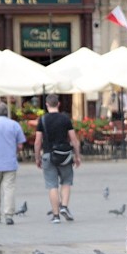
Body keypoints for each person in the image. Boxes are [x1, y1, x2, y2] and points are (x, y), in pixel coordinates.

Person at [34, 94, 82, 224]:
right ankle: (64, 206)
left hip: (49, 155)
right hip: (65, 155)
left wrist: (37, 158)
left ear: (47, 105)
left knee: (52, 185)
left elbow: (38, 141)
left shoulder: (42, 120)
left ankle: (56, 216)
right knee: (66, 182)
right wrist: (77, 156)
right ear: (58, 104)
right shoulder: (65, 119)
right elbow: (74, 139)